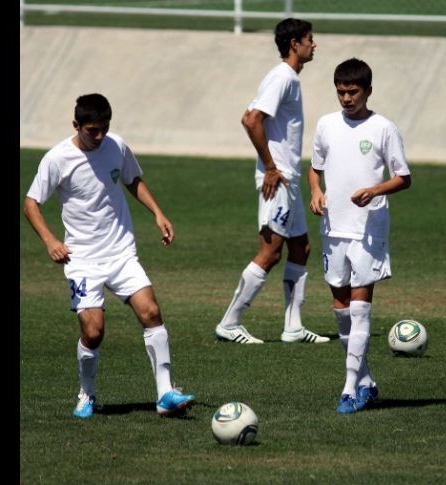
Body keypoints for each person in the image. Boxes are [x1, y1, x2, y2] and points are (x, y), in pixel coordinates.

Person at [23, 93, 195, 418]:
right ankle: (86, 394)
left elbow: (132, 180)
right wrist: (50, 241)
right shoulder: (57, 159)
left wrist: (158, 213)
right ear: (76, 125)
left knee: (151, 313)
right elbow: (31, 204)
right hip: (83, 260)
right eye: (92, 130)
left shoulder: (116, 145)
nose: (100, 136)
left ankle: (165, 394)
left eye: (104, 128)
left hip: (120, 252)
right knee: (93, 332)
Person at [215, 18, 329, 345]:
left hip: (287, 180)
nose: (314, 44)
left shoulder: (285, 77)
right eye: (309, 39)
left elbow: (245, 114)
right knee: (270, 252)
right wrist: (270, 166)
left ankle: (293, 327)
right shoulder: (283, 77)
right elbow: (252, 121)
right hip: (277, 180)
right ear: (295, 43)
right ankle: (230, 322)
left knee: (301, 247)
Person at [308, 58, 412, 414]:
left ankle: (350, 388)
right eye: (340, 92)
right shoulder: (325, 125)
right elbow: (315, 167)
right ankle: (365, 379)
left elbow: (404, 177)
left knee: (359, 307)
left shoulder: (384, 128)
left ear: (368, 90)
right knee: (340, 310)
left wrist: (375, 189)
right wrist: (315, 192)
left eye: (352, 92)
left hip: (368, 228)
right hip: (333, 227)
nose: (346, 98)